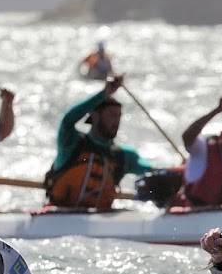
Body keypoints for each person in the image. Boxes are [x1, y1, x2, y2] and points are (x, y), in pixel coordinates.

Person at [46, 75, 152, 210]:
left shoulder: (123, 156)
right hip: (59, 215)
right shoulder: (71, 143)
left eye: (119, 116)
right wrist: (104, 93)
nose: (117, 121)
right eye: (112, 115)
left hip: (99, 221)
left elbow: (150, 170)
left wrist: (178, 170)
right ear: (94, 116)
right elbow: (68, 120)